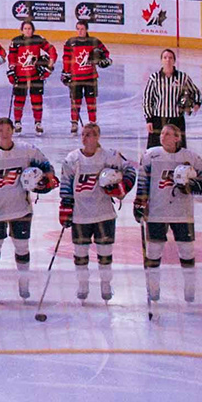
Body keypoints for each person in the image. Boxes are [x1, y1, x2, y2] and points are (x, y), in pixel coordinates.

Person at [0, 117, 56, 301]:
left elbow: (47, 167)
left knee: (22, 246)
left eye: (8, 129)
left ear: (13, 131)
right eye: (1, 130)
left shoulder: (27, 150)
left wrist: (47, 180)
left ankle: (24, 284)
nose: (4, 133)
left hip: (21, 209)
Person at [57, 122, 136, 302]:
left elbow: (130, 170)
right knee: (80, 253)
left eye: (90, 134)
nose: (85, 137)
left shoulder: (110, 156)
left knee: (105, 253)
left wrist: (122, 187)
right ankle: (83, 284)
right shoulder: (72, 158)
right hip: (80, 214)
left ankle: (106, 283)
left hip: (104, 214)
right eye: (83, 134)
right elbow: (66, 183)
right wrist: (65, 205)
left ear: (98, 137)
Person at [134, 123, 202, 305]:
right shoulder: (150, 155)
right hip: (156, 212)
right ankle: (153, 287)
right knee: (153, 251)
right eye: (162, 133)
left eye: (168, 134)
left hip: (182, 213)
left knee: (187, 251)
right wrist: (139, 202)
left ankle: (189, 286)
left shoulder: (191, 157)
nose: (163, 136)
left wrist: (192, 186)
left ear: (177, 138)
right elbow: (143, 181)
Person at [140, 48, 202, 145]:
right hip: (158, 120)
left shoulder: (182, 77)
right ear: (161, 60)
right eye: (165, 58)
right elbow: (147, 99)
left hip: (177, 120)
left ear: (174, 61)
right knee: (155, 151)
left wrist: (197, 104)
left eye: (170, 58)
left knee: (178, 150)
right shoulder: (154, 78)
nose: (168, 60)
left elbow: (196, 92)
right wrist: (149, 120)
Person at [5, 18, 56, 136]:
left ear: (33, 30)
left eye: (30, 29)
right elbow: (11, 58)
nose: (28, 31)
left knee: (37, 99)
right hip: (20, 75)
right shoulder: (15, 41)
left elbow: (52, 51)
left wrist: (49, 67)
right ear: (21, 30)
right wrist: (12, 70)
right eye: (25, 29)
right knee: (19, 100)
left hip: (35, 75)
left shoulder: (38, 40)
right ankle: (17, 122)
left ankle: (38, 123)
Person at [60, 18, 112, 135]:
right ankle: (74, 122)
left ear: (86, 29)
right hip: (76, 78)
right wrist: (66, 72)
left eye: (82, 29)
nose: (80, 31)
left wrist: (104, 59)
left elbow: (105, 53)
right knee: (75, 102)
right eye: (78, 29)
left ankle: (92, 123)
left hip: (90, 77)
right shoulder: (70, 42)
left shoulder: (94, 41)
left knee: (91, 101)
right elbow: (66, 58)